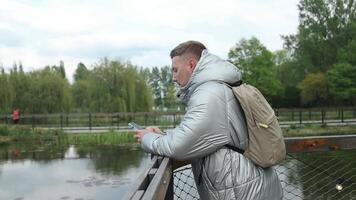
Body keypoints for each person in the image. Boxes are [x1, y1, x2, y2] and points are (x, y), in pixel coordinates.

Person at [134, 41, 283, 200]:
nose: (173, 77)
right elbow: (198, 134)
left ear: (191, 65)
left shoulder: (209, 93)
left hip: (242, 192)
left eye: (175, 70)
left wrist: (147, 138)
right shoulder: (218, 87)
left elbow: (179, 146)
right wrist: (163, 135)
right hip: (248, 186)